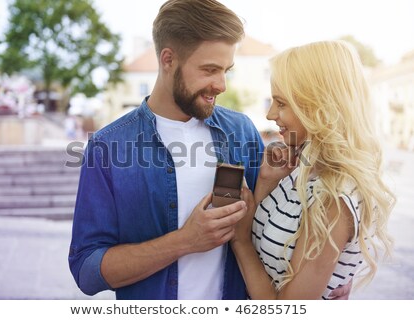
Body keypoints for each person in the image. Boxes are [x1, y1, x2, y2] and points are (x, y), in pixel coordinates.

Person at [68, 0, 263, 300]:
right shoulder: (107, 148)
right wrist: (185, 241)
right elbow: (87, 271)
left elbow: (276, 229)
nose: (221, 84)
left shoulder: (242, 132)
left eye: (226, 70)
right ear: (168, 60)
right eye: (210, 69)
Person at [231, 40, 395, 299]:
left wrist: (239, 242)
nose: (270, 114)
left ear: (319, 107)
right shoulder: (302, 170)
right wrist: (265, 183)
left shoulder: (336, 197)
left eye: (281, 103)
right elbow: (266, 243)